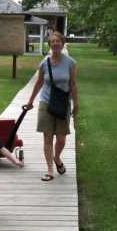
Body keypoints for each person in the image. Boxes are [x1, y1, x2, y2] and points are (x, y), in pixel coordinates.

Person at [25, 31, 79, 181]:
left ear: (62, 44)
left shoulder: (70, 63)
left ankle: (57, 158)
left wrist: (76, 104)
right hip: (46, 102)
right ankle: (50, 170)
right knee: (47, 137)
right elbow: (39, 83)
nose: (55, 43)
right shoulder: (44, 62)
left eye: (58, 41)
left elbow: (73, 84)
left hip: (63, 103)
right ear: (50, 44)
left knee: (61, 139)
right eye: (52, 41)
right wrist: (30, 101)